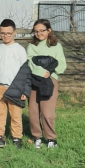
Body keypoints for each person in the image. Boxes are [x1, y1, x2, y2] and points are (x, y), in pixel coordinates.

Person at [0, 19, 29, 148]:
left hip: (15, 87)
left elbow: (26, 72)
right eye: (2, 33)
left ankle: (16, 137)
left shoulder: (20, 50)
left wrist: (25, 91)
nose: (5, 36)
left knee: (15, 114)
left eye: (8, 33)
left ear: (14, 33)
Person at [27, 19, 65, 149]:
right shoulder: (32, 46)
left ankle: (50, 138)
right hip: (35, 80)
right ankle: (36, 136)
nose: (38, 34)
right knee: (33, 111)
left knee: (47, 112)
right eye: (36, 31)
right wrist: (40, 71)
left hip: (50, 80)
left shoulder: (56, 46)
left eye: (41, 31)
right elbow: (30, 62)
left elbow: (62, 64)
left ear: (49, 30)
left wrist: (49, 72)